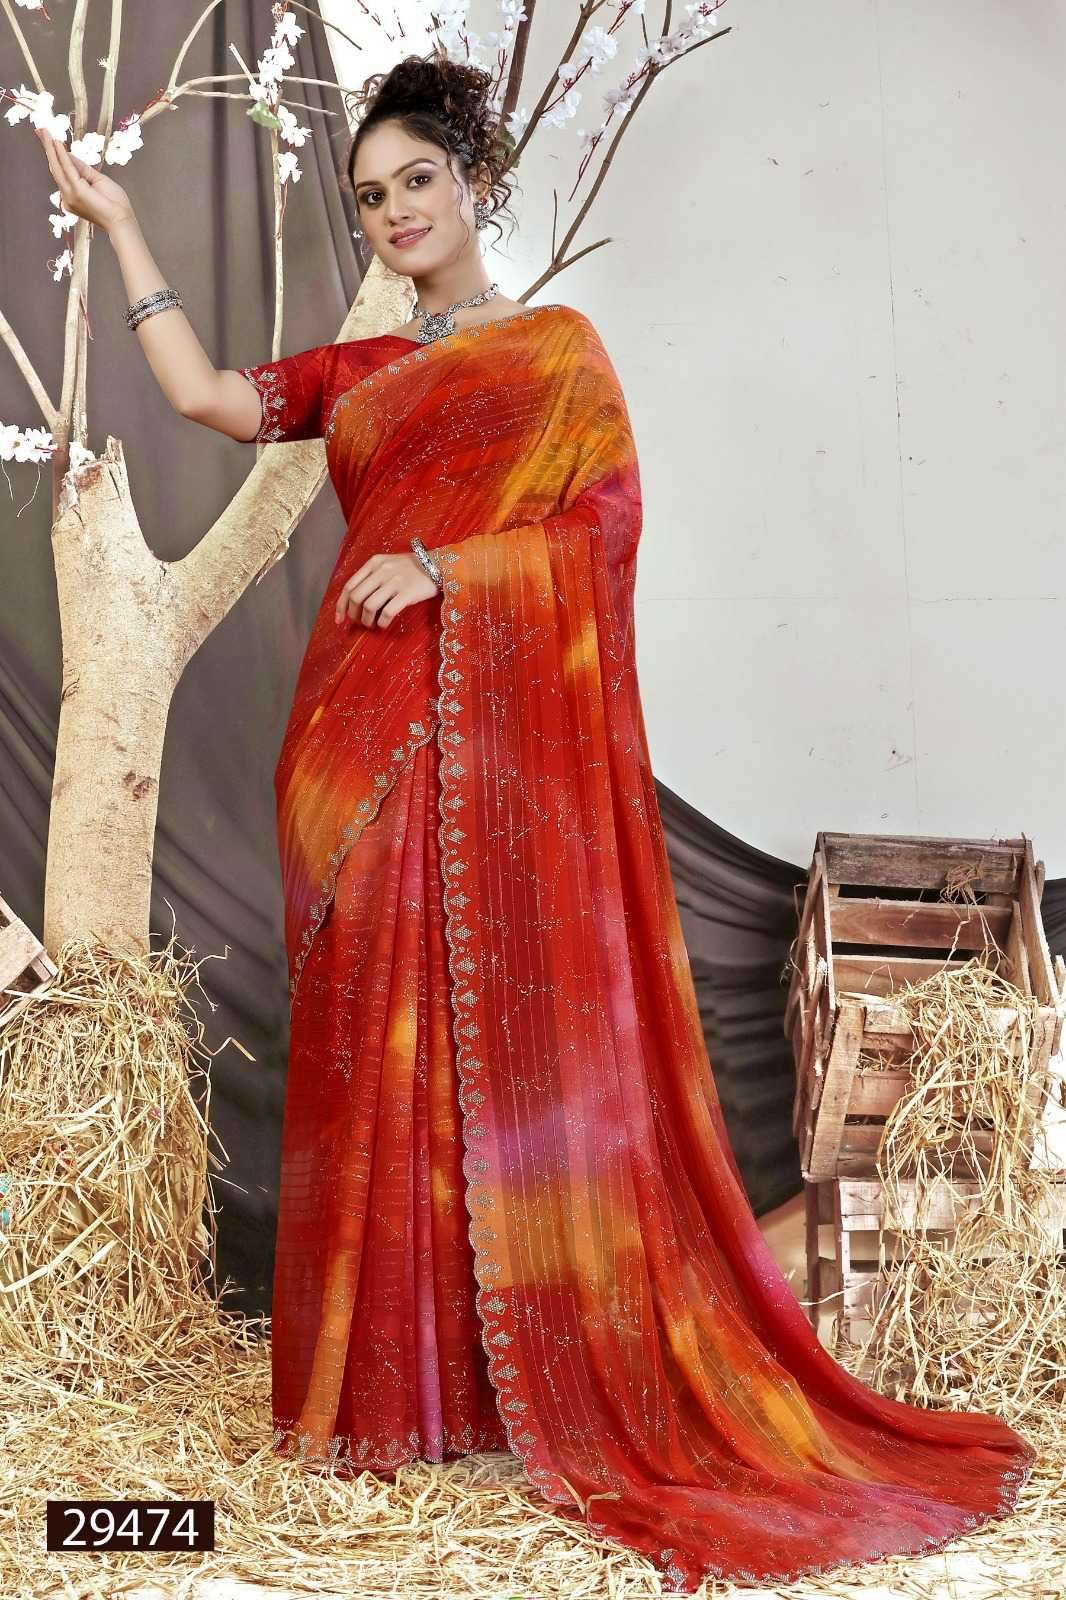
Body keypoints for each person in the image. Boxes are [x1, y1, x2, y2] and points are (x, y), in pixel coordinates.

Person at [36, 51, 1036, 1596]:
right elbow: (208, 399)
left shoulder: (555, 352)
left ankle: (500, 1386)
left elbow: (601, 531)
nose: (395, 212)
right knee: (379, 1047)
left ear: (473, 182)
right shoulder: (365, 371)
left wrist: (453, 568)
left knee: (489, 1046)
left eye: (417, 181)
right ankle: (390, 1400)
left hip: (489, 743)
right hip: (351, 747)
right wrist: (119, 228)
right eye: (370, 195)